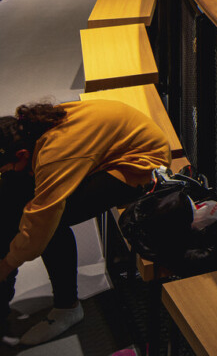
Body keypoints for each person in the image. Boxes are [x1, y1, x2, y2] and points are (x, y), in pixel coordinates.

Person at [0, 99, 172, 346]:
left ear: (22, 154)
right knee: (10, 192)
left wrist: (8, 263)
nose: (6, 171)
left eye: (6, 167)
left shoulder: (52, 155)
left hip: (142, 163)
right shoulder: (27, 127)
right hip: (112, 150)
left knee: (52, 222)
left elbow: (40, 225)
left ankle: (67, 307)